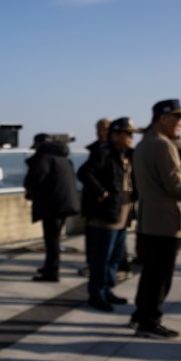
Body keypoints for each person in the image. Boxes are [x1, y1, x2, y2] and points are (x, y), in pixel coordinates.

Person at [132, 99, 181, 339]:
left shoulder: (145, 143)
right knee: (160, 274)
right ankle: (150, 321)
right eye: (176, 118)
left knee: (151, 272)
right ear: (162, 119)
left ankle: (141, 314)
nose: (180, 124)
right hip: (166, 221)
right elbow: (177, 186)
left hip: (150, 219)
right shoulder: (163, 146)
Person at [77, 117, 137, 312]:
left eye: (131, 133)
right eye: (127, 133)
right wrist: (101, 192)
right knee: (101, 258)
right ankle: (97, 293)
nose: (130, 137)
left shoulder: (126, 154)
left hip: (122, 214)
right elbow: (84, 173)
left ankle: (108, 289)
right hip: (106, 216)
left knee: (115, 257)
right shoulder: (103, 153)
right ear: (115, 135)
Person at [24, 133, 80, 282]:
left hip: (52, 205)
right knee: (54, 239)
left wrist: (30, 189)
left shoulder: (44, 157)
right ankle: (49, 266)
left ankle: (51, 272)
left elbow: (34, 179)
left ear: (39, 144)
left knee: (51, 240)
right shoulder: (63, 158)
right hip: (63, 203)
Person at [78, 118, 110, 277]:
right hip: (94, 201)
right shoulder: (98, 150)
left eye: (104, 128)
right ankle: (93, 266)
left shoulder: (107, 150)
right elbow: (85, 172)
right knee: (92, 236)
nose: (101, 132)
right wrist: (99, 191)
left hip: (106, 201)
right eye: (99, 129)